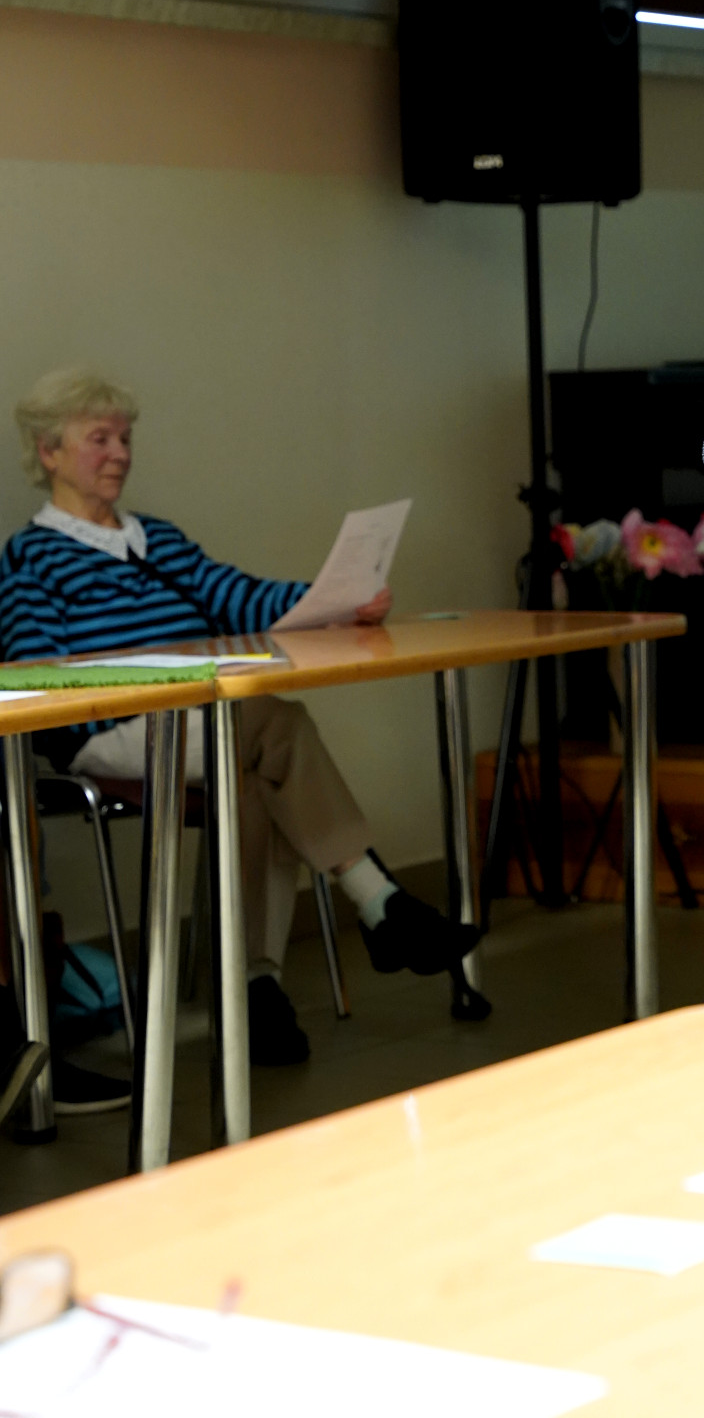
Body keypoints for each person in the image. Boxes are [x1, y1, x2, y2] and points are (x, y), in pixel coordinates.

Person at [0, 369, 479, 1093]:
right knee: (268, 720)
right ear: (49, 454)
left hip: (204, 725)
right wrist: (135, 677)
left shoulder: (157, 539)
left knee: (252, 771)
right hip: (111, 732)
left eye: (125, 438)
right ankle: (379, 902)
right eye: (98, 439)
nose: (120, 454)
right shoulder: (28, 558)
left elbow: (241, 595)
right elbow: (31, 668)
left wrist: (339, 604)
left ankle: (255, 991)